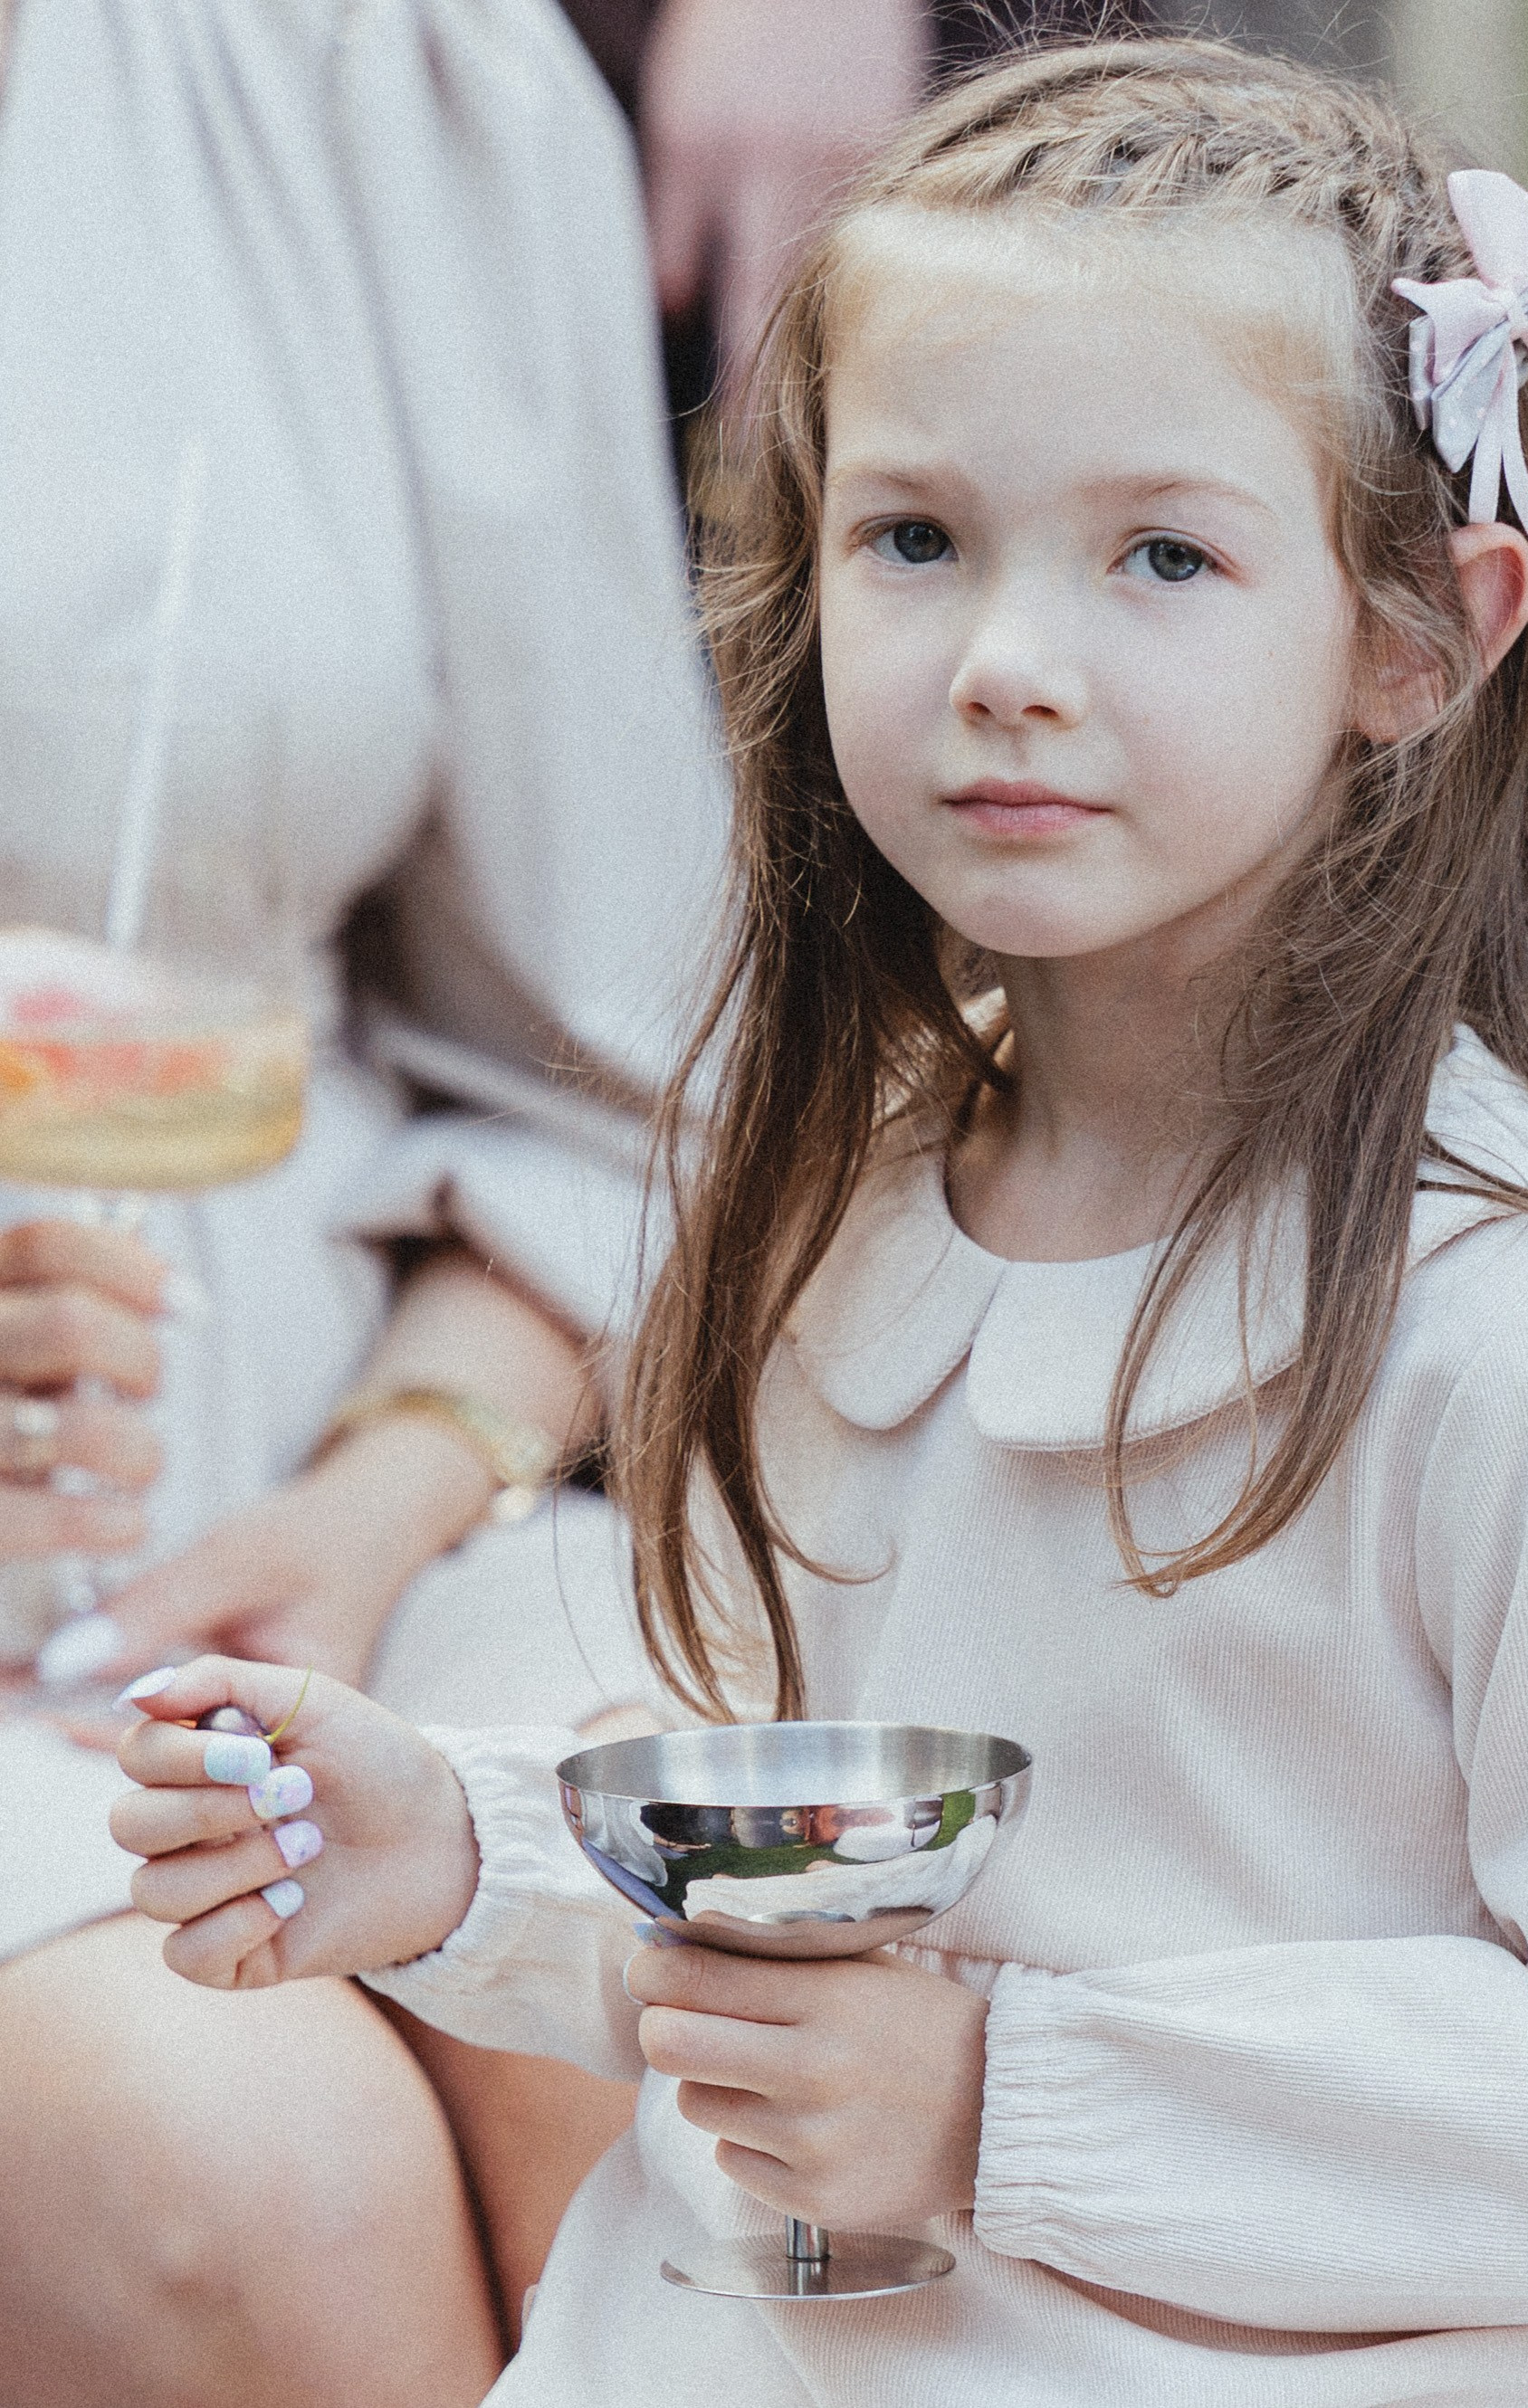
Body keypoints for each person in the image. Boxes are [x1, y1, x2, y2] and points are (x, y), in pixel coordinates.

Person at [111, 36, 1528, 2407]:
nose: (1004, 658)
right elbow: (825, 1895)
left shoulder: (1518, 1354)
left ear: (1419, 633)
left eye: (1159, 556)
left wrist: (1003, 2111)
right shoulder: (844, 1218)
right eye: (914, 537)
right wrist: (467, 1855)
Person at [0, 0, 722, 2400]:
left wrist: (391, 1487)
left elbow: (615, 1056)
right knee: (237, 2180)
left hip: (343, 1498)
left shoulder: (365, 55)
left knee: (682, 2009)